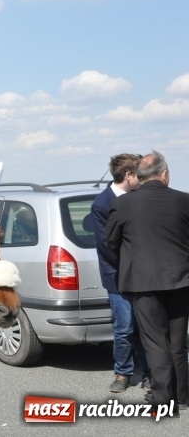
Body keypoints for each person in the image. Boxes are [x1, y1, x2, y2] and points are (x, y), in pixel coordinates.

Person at [106, 151, 189, 412]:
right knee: (178, 341)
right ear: (164, 174)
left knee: (155, 342)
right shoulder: (184, 200)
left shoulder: (124, 204)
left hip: (144, 283)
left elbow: (111, 241)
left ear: (140, 178)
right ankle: (183, 395)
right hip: (182, 280)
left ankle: (164, 399)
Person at [89, 153, 150, 394]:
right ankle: (123, 373)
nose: (145, 179)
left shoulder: (141, 197)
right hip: (118, 277)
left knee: (146, 328)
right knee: (124, 328)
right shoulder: (102, 204)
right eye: (141, 175)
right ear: (129, 175)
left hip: (144, 275)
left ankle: (149, 372)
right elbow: (107, 247)